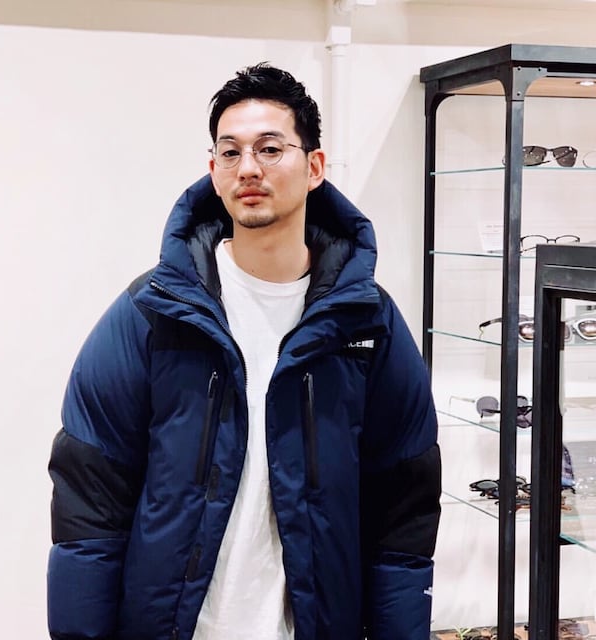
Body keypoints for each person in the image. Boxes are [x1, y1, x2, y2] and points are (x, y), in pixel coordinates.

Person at [47, 63, 441, 640]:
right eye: (229, 152)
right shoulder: (152, 312)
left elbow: (402, 512)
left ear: (314, 167)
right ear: (213, 172)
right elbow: (90, 499)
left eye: (270, 149)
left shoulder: (367, 323)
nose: (248, 168)